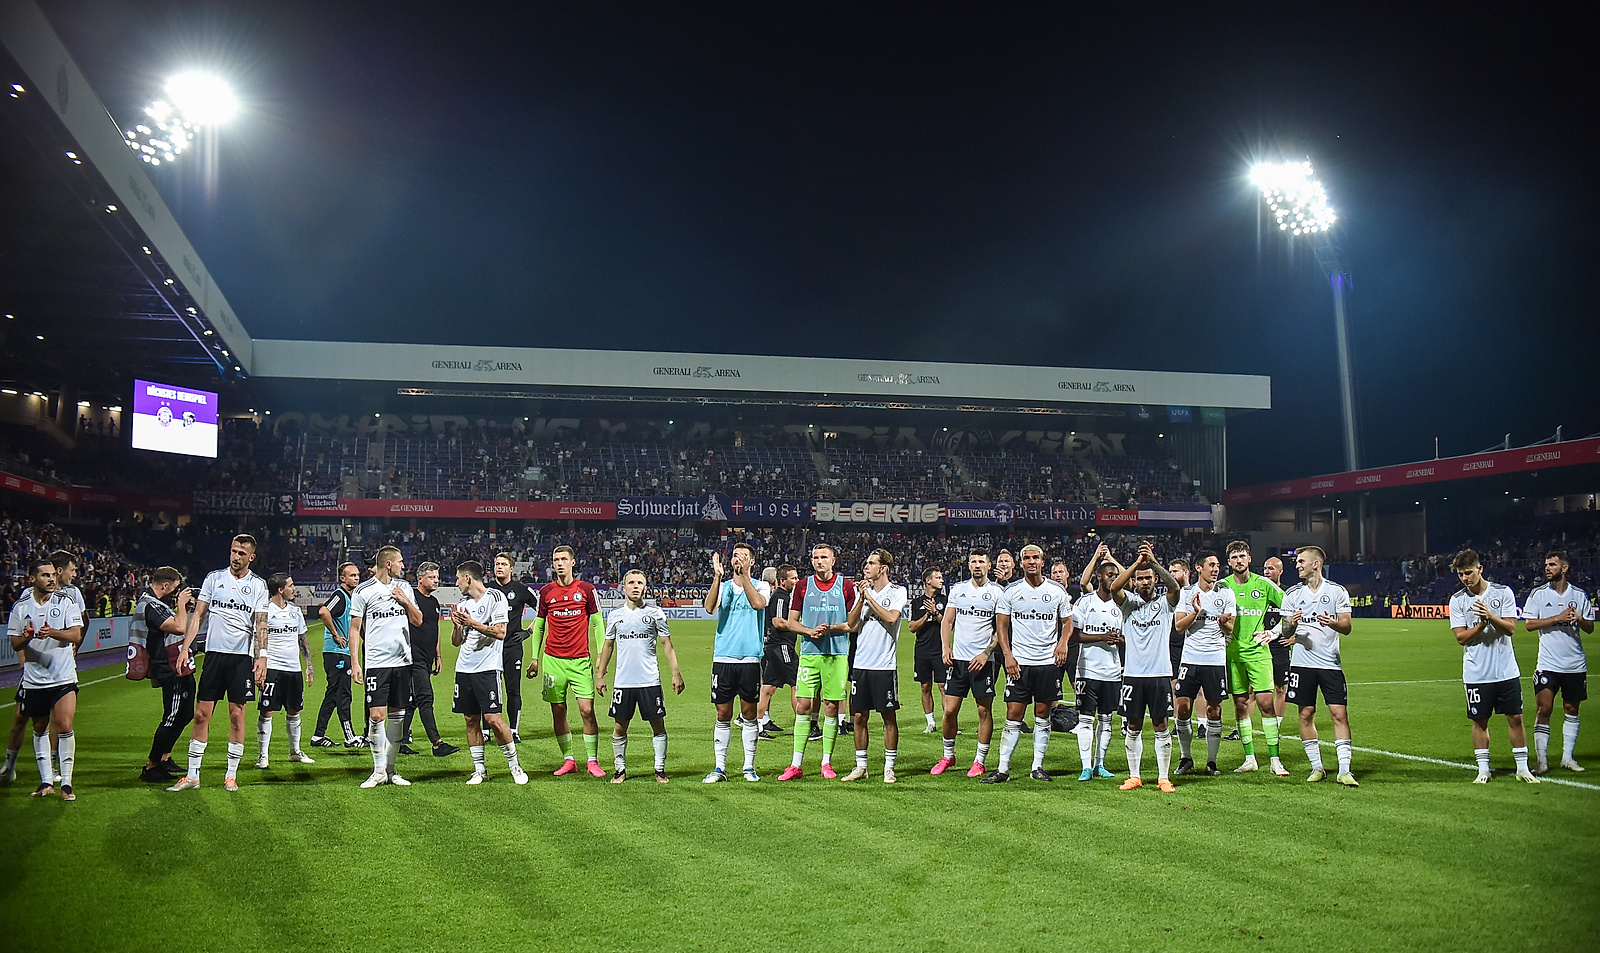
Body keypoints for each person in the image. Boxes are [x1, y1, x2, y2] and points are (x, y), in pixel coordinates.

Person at [168, 535, 269, 793]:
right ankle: (192, 775)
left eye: (241, 554)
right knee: (201, 714)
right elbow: (198, 614)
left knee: (237, 715)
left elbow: (261, 624)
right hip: (214, 655)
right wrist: (185, 647)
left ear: (251, 557)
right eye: (233, 551)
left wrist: (262, 657)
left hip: (240, 659)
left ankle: (231, 775)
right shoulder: (214, 578)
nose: (236, 557)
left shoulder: (258, 585)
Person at [1449, 549, 1537, 783]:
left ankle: (1522, 768)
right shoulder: (1457, 600)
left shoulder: (1502, 593)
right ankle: (1483, 770)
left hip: (1506, 670)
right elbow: (1460, 638)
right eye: (1460, 574)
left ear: (1480, 569)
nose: (1465, 578)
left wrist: (1490, 616)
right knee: (1480, 721)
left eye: (1468, 573)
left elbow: (1510, 628)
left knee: (1515, 718)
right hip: (1476, 673)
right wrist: (1480, 626)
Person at [987, 544, 1071, 783]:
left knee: (1043, 714)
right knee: (1014, 714)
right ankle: (1003, 769)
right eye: (1026, 558)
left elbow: (1067, 622)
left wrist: (1063, 643)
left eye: (1035, 558)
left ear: (1042, 562)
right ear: (1021, 563)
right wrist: (1008, 655)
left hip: (1047, 662)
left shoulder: (1056, 591)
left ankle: (1037, 767)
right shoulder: (1012, 591)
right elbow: (1001, 626)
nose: (1031, 561)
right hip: (1020, 663)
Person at [1276, 546, 1356, 786]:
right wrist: (1291, 623)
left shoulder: (1336, 592)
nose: (1297, 565)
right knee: (1306, 713)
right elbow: (1285, 630)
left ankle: (1344, 770)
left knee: (1339, 714)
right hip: (1302, 665)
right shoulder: (1292, 594)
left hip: (1330, 664)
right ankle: (1317, 767)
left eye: (1301, 561)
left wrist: (1333, 623)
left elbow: (1347, 627)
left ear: (1315, 564)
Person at [4, 549, 84, 787]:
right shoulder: (22, 604)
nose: (51, 579)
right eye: (45, 575)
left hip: (62, 673)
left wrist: (58, 635)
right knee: (26, 720)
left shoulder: (69, 598)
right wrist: (26, 643)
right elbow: (16, 641)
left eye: (52, 575)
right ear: (32, 579)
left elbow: (77, 632)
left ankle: (62, 778)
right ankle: (16, 768)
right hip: (34, 675)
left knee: (64, 723)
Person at [596, 569, 684, 783]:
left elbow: (667, 645)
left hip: (649, 681)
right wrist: (600, 675)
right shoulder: (616, 615)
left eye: (640, 583)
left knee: (658, 725)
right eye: (631, 582)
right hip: (623, 682)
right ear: (623, 587)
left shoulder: (656, 613)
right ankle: (620, 770)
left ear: (645, 587)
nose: (636, 586)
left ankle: (659, 769)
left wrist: (676, 673)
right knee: (619, 727)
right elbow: (608, 646)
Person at [349, 545, 426, 789]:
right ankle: (378, 769)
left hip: (402, 662)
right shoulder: (363, 591)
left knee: (397, 718)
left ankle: (390, 771)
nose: (404, 566)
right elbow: (354, 628)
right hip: (377, 662)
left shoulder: (404, 588)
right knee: (376, 715)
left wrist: (405, 601)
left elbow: (418, 619)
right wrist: (355, 662)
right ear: (389, 564)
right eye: (401, 562)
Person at [525, 545, 605, 776]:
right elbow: (539, 625)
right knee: (558, 710)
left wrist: (601, 654)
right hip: (553, 661)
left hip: (580, 660)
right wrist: (534, 657)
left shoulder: (586, 590)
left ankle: (592, 760)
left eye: (563, 559)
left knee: (587, 710)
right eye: (555, 559)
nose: (559, 563)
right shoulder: (546, 592)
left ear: (572, 562)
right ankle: (568, 759)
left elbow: (598, 623)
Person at [781, 543, 858, 780]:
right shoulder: (803, 586)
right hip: (810, 653)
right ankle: (796, 764)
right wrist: (808, 631)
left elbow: (853, 623)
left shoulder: (846, 586)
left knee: (831, 707)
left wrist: (832, 629)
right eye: (815, 557)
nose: (819, 561)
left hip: (836, 654)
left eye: (824, 557)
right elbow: (791, 622)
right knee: (803, 705)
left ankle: (826, 762)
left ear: (833, 560)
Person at [1110, 541, 1182, 792]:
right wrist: (1137, 565)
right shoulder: (1128, 603)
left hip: (1160, 673)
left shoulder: (1164, 604)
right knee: (1133, 725)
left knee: (1161, 725)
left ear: (1154, 580)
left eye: (1148, 578)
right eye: (1140, 579)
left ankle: (1163, 777)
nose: (1144, 582)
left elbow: (1174, 587)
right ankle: (1134, 776)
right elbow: (1114, 587)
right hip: (1133, 674)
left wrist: (1153, 563)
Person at [449, 560, 527, 785]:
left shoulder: (495, 598)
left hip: (487, 669)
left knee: (493, 719)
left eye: (457, 578)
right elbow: (457, 642)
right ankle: (480, 770)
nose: (457, 583)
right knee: (470, 720)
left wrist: (473, 623)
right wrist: (457, 626)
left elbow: (501, 632)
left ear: (468, 578)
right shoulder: (463, 604)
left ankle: (515, 766)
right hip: (464, 669)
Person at [934, 549, 1005, 777]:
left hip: (983, 662)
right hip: (958, 662)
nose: (977, 565)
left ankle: (979, 760)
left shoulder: (997, 592)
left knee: (983, 711)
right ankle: (948, 756)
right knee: (949, 710)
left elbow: (1001, 630)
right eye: (973, 561)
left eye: (981, 562)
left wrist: (986, 654)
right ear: (968, 565)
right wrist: (946, 647)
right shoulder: (958, 590)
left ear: (989, 565)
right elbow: (947, 621)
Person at [702, 543, 769, 782]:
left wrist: (745, 577)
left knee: (749, 712)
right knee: (722, 712)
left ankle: (748, 767)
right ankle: (720, 768)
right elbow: (709, 608)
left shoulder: (761, 585)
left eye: (744, 556)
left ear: (751, 561)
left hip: (750, 658)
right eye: (735, 556)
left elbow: (758, 604)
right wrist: (717, 578)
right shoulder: (724, 586)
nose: (738, 559)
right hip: (723, 657)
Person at [1219, 540, 1287, 775]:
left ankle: (1275, 759)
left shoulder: (1264, 584)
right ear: (1229, 562)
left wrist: (1274, 632)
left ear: (1249, 559)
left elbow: (1290, 607)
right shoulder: (1222, 587)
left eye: (1242, 556)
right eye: (1234, 557)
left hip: (1259, 654)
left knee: (1266, 704)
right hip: (1233, 654)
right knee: (1240, 705)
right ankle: (1249, 758)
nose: (1239, 560)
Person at [1522, 550, 1591, 774]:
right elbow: (1529, 624)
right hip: (1548, 663)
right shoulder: (1538, 594)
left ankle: (1567, 758)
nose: (1547, 568)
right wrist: (1557, 618)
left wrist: (1579, 619)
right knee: (1545, 708)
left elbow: (1590, 627)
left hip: (1574, 664)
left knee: (1572, 708)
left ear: (1564, 568)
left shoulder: (1579, 595)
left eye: (1552, 564)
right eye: (1546, 565)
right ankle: (1541, 761)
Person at [842, 549, 908, 783]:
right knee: (859, 716)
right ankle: (861, 766)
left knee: (888, 717)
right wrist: (862, 598)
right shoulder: (864, 594)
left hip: (884, 666)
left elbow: (891, 618)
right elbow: (851, 624)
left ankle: (889, 767)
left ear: (883, 568)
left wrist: (870, 599)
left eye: (871, 563)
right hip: (861, 664)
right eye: (866, 563)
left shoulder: (898, 592)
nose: (865, 567)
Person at [1172, 550, 1236, 776]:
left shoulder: (1226, 593)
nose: (1216, 569)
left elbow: (1231, 628)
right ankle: (1186, 757)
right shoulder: (1187, 593)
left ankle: (1211, 761)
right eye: (1211, 565)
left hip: (1215, 659)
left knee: (1214, 709)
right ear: (1199, 568)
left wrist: (1223, 623)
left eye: (1217, 565)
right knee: (1183, 708)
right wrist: (1196, 613)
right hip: (1190, 658)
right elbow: (1179, 627)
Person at [131, 567, 195, 782]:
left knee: (185, 714)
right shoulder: (152, 605)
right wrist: (181, 606)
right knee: (172, 716)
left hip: (176, 664)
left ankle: (164, 757)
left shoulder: (157, 604)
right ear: (165, 585)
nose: (177, 592)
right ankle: (151, 766)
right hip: (169, 668)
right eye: (176, 588)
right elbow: (178, 627)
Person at [1072, 544, 1126, 781]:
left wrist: (1118, 639)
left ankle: (1099, 764)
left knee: (1106, 719)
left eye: (1116, 576)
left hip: (1112, 671)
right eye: (1109, 575)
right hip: (1087, 669)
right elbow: (1075, 635)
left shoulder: (1121, 606)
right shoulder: (1086, 601)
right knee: (1086, 718)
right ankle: (1085, 766)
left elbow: (1127, 637)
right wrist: (1102, 637)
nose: (1113, 579)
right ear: (1099, 577)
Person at [254, 573, 316, 770]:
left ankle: (295, 751)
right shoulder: (265, 611)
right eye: (290, 585)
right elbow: (258, 639)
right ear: (280, 589)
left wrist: (309, 666)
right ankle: (263, 756)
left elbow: (302, 639)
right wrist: (258, 665)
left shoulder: (295, 611)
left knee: (294, 710)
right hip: (272, 667)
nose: (293, 588)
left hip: (293, 669)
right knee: (267, 710)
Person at [401, 562, 458, 756]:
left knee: (412, 701)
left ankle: (398, 741)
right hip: (413, 658)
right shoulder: (412, 598)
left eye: (437, 577)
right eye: (432, 577)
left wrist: (438, 655)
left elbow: (435, 630)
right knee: (425, 697)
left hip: (426, 659)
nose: (436, 580)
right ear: (420, 579)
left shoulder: (434, 602)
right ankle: (436, 743)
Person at [310, 562, 364, 749]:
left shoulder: (351, 597)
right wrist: (335, 634)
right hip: (337, 653)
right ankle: (350, 737)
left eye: (357, 575)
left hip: (341, 653)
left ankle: (318, 736)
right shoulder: (340, 595)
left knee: (333, 695)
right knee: (343, 694)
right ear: (342, 578)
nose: (356, 578)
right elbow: (323, 611)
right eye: (352, 575)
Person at [491, 553, 540, 742]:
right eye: (497, 563)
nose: (499, 567)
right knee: (490, 689)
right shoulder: (488, 590)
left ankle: (513, 730)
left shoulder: (521, 590)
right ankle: (487, 730)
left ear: (511, 568)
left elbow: (543, 611)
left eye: (503, 564)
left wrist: (528, 631)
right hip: (491, 648)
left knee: (513, 689)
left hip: (512, 647)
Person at [757, 563, 800, 739]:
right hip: (782, 645)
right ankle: (803, 725)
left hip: (773, 646)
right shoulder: (781, 597)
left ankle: (758, 726)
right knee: (796, 683)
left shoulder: (781, 595)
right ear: (782, 581)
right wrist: (802, 628)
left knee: (768, 687)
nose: (796, 581)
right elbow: (778, 622)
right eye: (793, 578)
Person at [909, 569, 949, 734]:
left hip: (940, 649)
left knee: (944, 686)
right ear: (928, 581)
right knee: (925, 686)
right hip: (922, 650)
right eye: (938, 578)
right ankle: (931, 722)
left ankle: (949, 721)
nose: (941, 580)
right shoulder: (916, 602)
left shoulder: (945, 601)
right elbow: (912, 627)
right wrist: (927, 614)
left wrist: (935, 612)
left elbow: (948, 624)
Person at [1261, 556, 1291, 737]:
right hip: (1261, 644)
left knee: (1280, 687)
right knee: (1250, 689)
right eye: (1265, 568)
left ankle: (1276, 726)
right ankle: (1240, 728)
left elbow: (1298, 617)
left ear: (1280, 571)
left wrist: (1295, 638)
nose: (1267, 571)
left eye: (1271, 568)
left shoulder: (1288, 594)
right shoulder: (1260, 591)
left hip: (1280, 646)